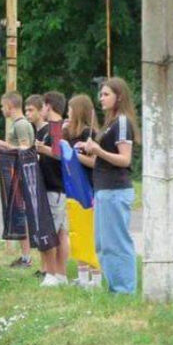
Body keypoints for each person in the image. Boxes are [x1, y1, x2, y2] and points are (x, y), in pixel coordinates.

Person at [77, 78, 139, 294]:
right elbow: (99, 160)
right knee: (103, 245)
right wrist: (83, 152)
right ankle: (115, 288)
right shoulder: (109, 123)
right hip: (102, 188)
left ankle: (124, 290)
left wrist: (98, 150)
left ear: (119, 96)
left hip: (115, 189)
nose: (101, 98)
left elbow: (125, 159)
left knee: (117, 243)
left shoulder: (122, 121)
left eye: (106, 94)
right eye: (101, 94)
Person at [0, 92, 37, 268]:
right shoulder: (18, 124)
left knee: (21, 216)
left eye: (2, 105)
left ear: (9, 105)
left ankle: (27, 258)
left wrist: (0, 143)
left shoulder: (21, 124)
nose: (1, 109)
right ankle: (24, 256)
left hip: (21, 176)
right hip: (17, 175)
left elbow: (24, 149)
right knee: (18, 216)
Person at [32, 92, 71, 287]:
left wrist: (42, 149)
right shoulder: (52, 128)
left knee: (51, 232)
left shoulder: (56, 127)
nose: (41, 110)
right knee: (61, 232)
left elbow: (58, 154)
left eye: (43, 107)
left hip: (54, 187)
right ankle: (61, 275)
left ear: (48, 106)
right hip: (55, 187)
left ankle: (52, 274)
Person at [65, 93, 102, 288]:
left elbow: (96, 162)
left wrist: (75, 156)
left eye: (70, 109)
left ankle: (96, 278)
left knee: (90, 232)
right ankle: (82, 275)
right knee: (77, 231)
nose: (67, 113)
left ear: (78, 111)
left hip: (89, 186)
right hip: (74, 187)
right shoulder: (71, 133)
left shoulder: (90, 134)